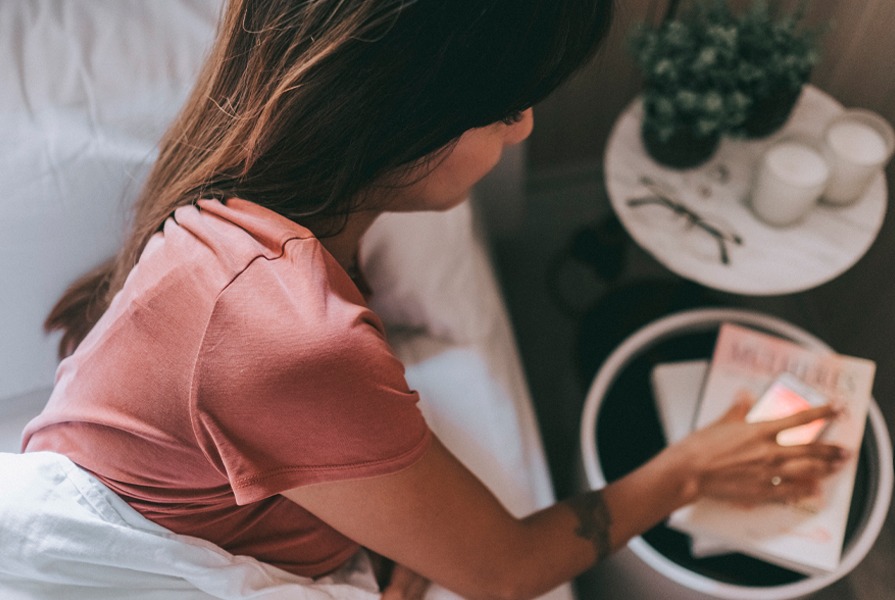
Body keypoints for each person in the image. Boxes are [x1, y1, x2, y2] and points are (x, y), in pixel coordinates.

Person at [21, 1, 848, 599]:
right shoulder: (289, 335)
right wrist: (690, 467)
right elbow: (503, 570)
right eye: (507, 108)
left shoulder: (242, 168)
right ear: (398, 119)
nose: (524, 130)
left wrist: (385, 522)